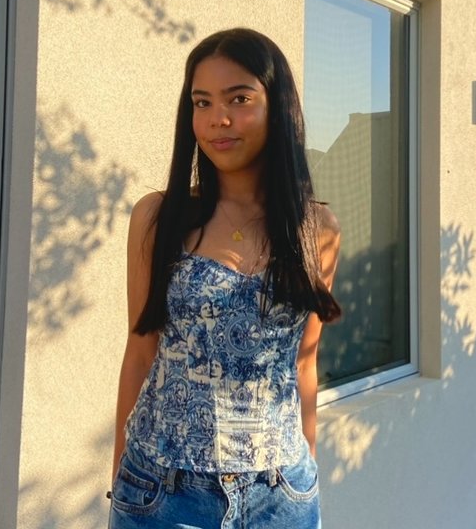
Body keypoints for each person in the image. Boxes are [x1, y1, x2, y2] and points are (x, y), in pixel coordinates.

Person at [109, 27, 341, 529]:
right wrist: (120, 483)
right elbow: (141, 352)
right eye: (202, 102)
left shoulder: (317, 230)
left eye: (239, 99)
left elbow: (304, 363)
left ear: (277, 107)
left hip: (283, 495)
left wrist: (307, 468)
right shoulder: (158, 217)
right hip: (163, 494)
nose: (219, 118)